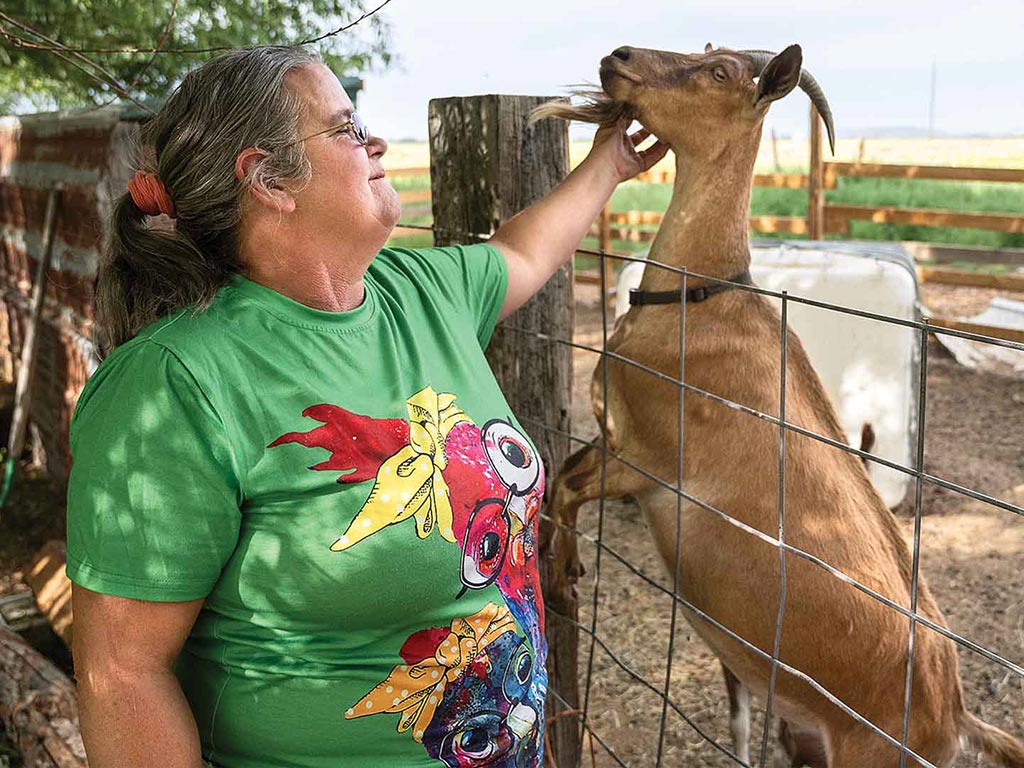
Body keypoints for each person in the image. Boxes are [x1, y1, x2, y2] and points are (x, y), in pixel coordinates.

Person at [65, 45, 668, 768]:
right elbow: (122, 674)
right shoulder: (174, 383)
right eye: (347, 128)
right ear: (267, 180)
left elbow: (526, 253)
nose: (376, 142)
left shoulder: (417, 291)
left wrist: (611, 162)